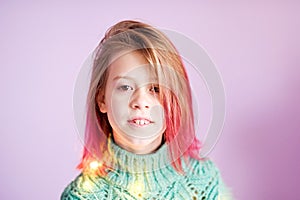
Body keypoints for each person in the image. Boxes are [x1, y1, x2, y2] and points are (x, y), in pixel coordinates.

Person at [61, 20, 232, 200]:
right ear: (102, 99)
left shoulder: (205, 180)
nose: (141, 102)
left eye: (156, 88)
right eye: (125, 87)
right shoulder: (82, 195)